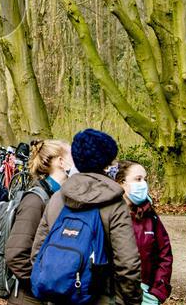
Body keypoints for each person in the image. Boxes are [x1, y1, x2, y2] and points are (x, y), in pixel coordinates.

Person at [32, 128, 141, 305]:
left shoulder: (58, 198)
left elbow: (38, 252)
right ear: (108, 162)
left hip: (60, 297)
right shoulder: (114, 204)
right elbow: (128, 264)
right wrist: (131, 301)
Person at [4, 139, 71, 305]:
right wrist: (43, 284)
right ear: (61, 162)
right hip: (29, 298)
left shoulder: (61, 196)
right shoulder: (36, 200)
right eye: (73, 156)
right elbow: (16, 255)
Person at [114, 160, 172, 305]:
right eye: (138, 179)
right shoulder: (107, 214)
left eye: (144, 179)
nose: (143, 184)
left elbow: (164, 254)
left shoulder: (149, 215)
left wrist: (157, 292)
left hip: (146, 295)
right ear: (122, 182)